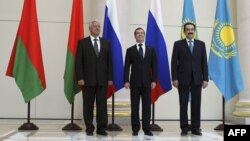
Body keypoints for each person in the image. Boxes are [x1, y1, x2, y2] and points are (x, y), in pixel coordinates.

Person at [75, 20, 113, 136]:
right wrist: (80, 77)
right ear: (90, 29)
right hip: (87, 80)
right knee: (88, 105)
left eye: (99, 26)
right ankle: (89, 128)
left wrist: (110, 78)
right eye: (95, 26)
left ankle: (101, 128)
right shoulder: (82, 43)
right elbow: (78, 62)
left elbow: (109, 62)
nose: (97, 28)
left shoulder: (106, 43)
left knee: (102, 105)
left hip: (102, 80)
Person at [171, 22, 208, 136]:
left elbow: (204, 63)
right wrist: (174, 78)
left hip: (197, 78)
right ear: (184, 31)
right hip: (182, 79)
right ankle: (184, 128)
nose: (190, 31)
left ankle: (196, 127)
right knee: (183, 104)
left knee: (196, 104)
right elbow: (173, 63)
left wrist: (205, 78)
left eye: (192, 29)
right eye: (188, 29)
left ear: (194, 31)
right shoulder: (178, 44)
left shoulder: (201, 44)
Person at [124, 27, 157, 136]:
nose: (140, 35)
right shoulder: (130, 50)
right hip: (134, 83)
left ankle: (146, 129)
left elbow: (154, 67)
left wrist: (154, 80)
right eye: (138, 33)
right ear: (135, 36)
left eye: (142, 33)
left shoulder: (151, 50)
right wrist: (126, 81)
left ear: (144, 35)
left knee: (146, 107)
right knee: (135, 107)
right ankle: (135, 129)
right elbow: (127, 67)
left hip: (147, 83)